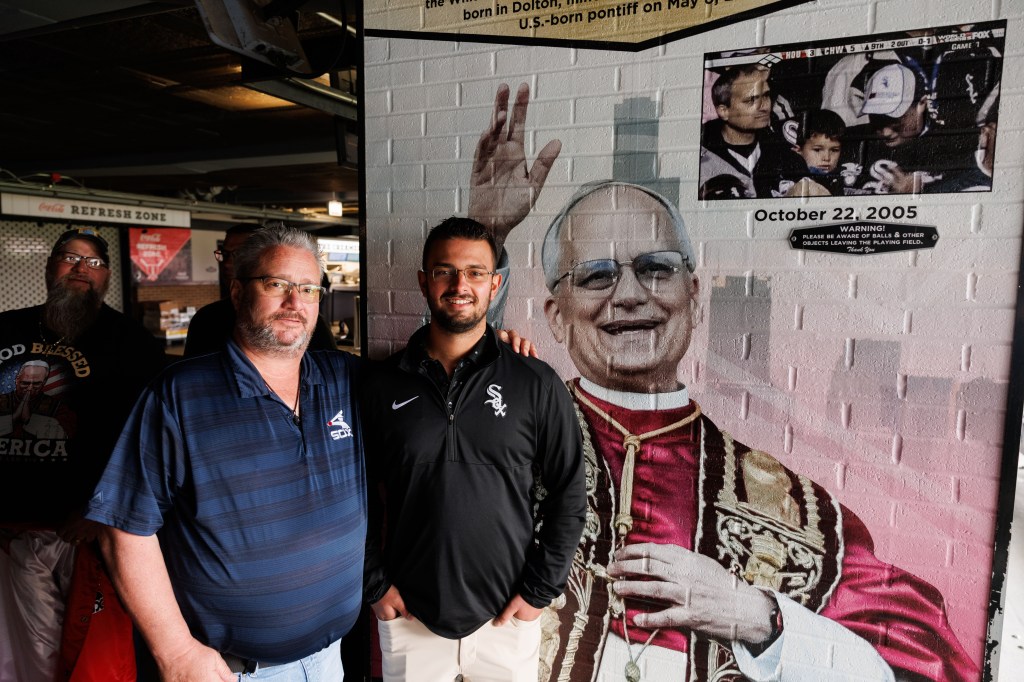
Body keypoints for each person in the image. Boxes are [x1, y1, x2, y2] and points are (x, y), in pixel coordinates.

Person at [469, 82, 978, 681]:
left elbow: (930, 664)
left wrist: (760, 617)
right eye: (597, 275)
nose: (629, 295)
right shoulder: (508, 437)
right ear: (556, 315)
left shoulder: (794, 506)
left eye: (656, 268)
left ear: (694, 296)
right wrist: (485, 233)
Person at [85, 226, 365, 681]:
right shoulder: (179, 395)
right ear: (237, 292)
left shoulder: (343, 378)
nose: (295, 302)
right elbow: (124, 529)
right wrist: (176, 651)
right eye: (276, 284)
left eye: (308, 289)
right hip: (232, 670)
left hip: (329, 659)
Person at [362, 217, 586, 682]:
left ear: (494, 284)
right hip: (409, 616)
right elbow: (356, 497)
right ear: (424, 281)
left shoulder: (535, 382)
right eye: (444, 271)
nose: (459, 285)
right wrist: (376, 586)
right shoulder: (380, 384)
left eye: (475, 272)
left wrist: (538, 593)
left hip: (508, 619)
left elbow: (568, 495)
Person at [0, 227, 165, 682]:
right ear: (49, 266)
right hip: (10, 528)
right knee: (20, 656)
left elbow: (150, 438)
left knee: (90, 654)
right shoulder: (5, 329)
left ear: (107, 276)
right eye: (70, 257)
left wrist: (101, 508)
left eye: (94, 262)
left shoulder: (132, 342)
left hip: (86, 533)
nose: (81, 268)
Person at [185, 223, 337, 357]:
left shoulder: (303, 322)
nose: (228, 263)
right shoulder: (207, 319)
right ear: (237, 292)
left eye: (239, 254)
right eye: (225, 255)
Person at [699, 65, 806, 199]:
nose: (764, 106)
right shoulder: (698, 154)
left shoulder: (784, 152)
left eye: (766, 96)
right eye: (750, 100)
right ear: (724, 111)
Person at [785, 109, 847, 197]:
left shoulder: (845, 180)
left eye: (834, 150)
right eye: (817, 150)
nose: (826, 158)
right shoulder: (787, 183)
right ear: (798, 151)